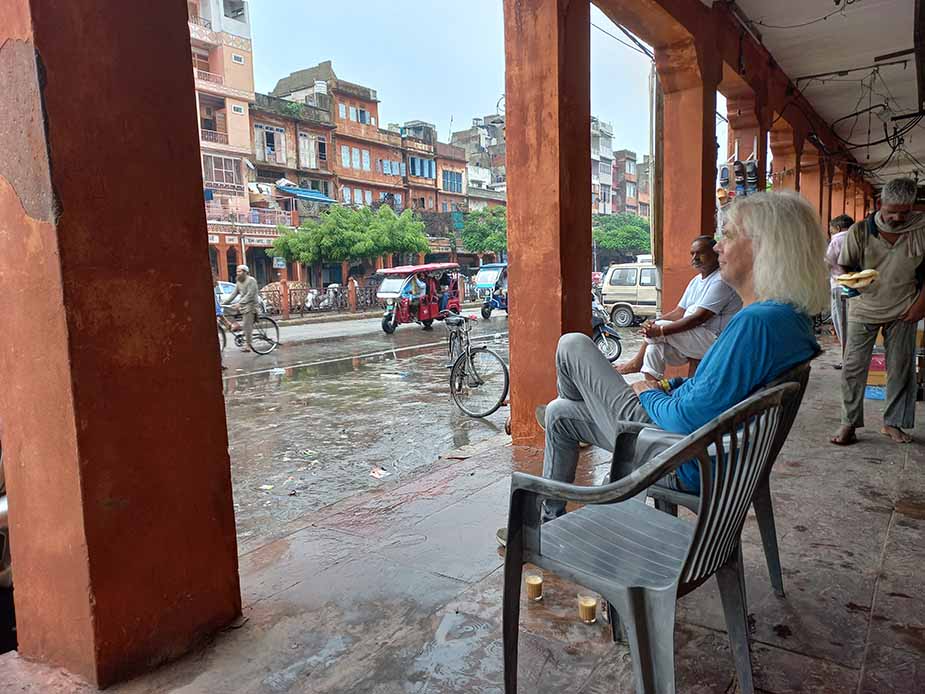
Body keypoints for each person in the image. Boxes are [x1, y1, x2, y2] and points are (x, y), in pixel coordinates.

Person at [497, 191, 826, 543]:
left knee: (572, 345)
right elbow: (713, 389)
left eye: (728, 235)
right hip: (706, 451)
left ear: (764, 246)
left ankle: (584, 416)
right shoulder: (787, 317)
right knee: (562, 414)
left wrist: (650, 392)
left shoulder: (758, 323)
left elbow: (685, 417)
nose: (716, 248)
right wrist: (668, 387)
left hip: (678, 454)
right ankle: (548, 523)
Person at [831, 177, 925, 446]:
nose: (897, 217)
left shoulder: (921, 229)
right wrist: (849, 283)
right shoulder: (860, 231)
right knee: (853, 367)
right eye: (891, 210)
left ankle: (892, 423)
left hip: (905, 308)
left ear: (913, 207)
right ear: (881, 203)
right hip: (863, 307)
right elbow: (843, 267)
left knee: (900, 367)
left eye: (904, 212)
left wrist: (921, 305)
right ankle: (849, 421)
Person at [618, 236, 741, 381]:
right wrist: (653, 323)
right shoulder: (696, 281)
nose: (695, 258)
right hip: (696, 339)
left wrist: (660, 329)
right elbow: (679, 313)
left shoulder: (721, 280)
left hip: (716, 341)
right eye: (692, 254)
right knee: (654, 348)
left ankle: (636, 363)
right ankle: (651, 392)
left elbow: (699, 318)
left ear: (715, 254)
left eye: (700, 253)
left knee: (658, 331)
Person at [824, 214, 855, 366]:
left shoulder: (836, 240)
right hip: (858, 286)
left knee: (841, 322)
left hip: (839, 285)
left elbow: (828, 263)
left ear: (837, 228)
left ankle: (847, 359)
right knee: (853, 322)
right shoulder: (858, 238)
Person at [225, 264, 259, 352]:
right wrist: (224, 303)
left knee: (247, 325)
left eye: (239, 271)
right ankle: (235, 324)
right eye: (237, 271)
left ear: (245, 272)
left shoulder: (251, 280)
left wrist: (239, 303)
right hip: (242, 304)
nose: (238, 273)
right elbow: (234, 294)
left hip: (251, 305)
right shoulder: (239, 282)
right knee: (225, 310)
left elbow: (250, 295)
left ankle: (248, 345)